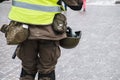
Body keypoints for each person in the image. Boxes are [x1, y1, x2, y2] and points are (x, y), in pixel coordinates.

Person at [0, 0, 83, 80]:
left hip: (25, 31)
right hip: (49, 32)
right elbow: (76, 5)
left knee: (27, 69)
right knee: (47, 70)